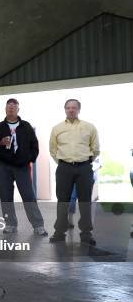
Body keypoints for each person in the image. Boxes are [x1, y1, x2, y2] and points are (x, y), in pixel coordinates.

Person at [0, 98, 47, 236]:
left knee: (28, 195)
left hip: (22, 166)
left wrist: (29, 159)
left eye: (14, 106)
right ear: (5, 109)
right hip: (4, 166)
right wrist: (0, 143)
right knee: (6, 196)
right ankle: (10, 224)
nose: (11, 108)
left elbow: (35, 146)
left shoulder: (26, 126)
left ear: (18, 110)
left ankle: (38, 225)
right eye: (9, 106)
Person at [49, 99, 100, 245]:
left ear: (79, 110)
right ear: (65, 109)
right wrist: (63, 162)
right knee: (63, 200)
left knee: (85, 201)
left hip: (84, 167)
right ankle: (59, 233)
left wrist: (86, 161)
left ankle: (86, 234)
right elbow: (53, 149)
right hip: (64, 167)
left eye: (74, 108)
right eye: (68, 108)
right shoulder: (57, 128)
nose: (71, 110)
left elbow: (95, 148)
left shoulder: (89, 127)